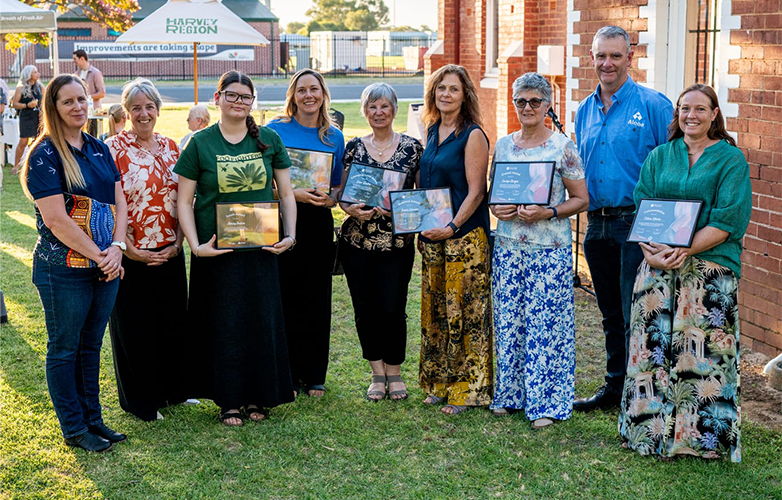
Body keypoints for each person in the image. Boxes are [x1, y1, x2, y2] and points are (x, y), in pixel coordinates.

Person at [618, 84, 751, 462]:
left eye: (699, 109)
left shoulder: (730, 160)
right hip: (656, 268)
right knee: (651, 353)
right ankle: (648, 434)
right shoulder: (661, 156)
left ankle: (701, 442)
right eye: (684, 109)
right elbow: (643, 205)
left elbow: (728, 220)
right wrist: (651, 250)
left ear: (714, 115)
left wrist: (685, 249)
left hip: (707, 272)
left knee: (702, 358)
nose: (690, 115)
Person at [174, 70, 297, 426]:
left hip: (261, 250)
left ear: (252, 102)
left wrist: (289, 236)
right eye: (231, 95)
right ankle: (228, 399)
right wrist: (196, 246)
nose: (238, 102)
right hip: (217, 252)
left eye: (245, 97)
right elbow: (184, 201)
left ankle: (260, 396)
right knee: (223, 325)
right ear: (218, 98)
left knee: (260, 322)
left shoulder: (269, 139)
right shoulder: (200, 143)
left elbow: (286, 193)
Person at [20, 74, 128, 452]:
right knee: (64, 347)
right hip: (63, 270)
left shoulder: (99, 148)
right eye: (68, 101)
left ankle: (94, 420)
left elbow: (119, 202)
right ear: (54, 107)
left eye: (82, 99)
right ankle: (74, 428)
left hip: (106, 265)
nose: (78, 106)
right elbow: (56, 219)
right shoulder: (44, 153)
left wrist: (117, 246)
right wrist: (102, 256)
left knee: (90, 346)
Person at [573, 25, 673, 411]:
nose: (607, 63)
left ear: (630, 58)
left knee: (638, 312)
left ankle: (643, 395)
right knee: (610, 313)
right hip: (596, 224)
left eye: (615, 55)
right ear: (593, 58)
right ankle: (616, 387)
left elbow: (673, 167)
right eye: (601, 56)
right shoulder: (584, 110)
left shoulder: (654, 105)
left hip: (637, 223)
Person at [489, 73, 589, 428]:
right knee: (509, 320)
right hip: (508, 248)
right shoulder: (503, 145)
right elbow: (496, 194)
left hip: (549, 249)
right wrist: (496, 207)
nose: (527, 107)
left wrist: (548, 211)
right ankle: (511, 395)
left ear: (547, 105)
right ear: (514, 103)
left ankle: (548, 403)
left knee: (547, 325)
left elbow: (581, 198)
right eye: (521, 101)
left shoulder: (562, 146)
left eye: (535, 101)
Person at [105, 79, 188, 422]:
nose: (143, 113)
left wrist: (179, 241)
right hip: (131, 253)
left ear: (158, 109)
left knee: (171, 323)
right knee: (135, 329)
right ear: (126, 112)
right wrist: (129, 249)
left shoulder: (171, 147)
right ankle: (141, 402)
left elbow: (184, 197)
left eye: (149, 106)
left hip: (169, 250)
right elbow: (108, 203)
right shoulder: (111, 148)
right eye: (136, 107)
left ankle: (173, 392)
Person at [337, 83, 422, 401]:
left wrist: (398, 208)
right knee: (365, 308)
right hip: (357, 243)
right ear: (365, 110)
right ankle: (376, 372)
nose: (378, 112)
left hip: (396, 245)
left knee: (392, 308)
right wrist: (350, 209)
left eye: (384, 106)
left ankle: (395, 371)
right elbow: (342, 195)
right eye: (372, 106)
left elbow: (421, 196)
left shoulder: (413, 148)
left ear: (395, 109)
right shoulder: (354, 147)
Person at [417, 64, 492, 415]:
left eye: (453, 89)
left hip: (464, 238)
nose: (446, 94)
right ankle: (439, 381)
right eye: (440, 88)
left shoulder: (473, 134)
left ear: (465, 96)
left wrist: (451, 226)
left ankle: (467, 389)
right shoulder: (431, 131)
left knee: (465, 314)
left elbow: (477, 192)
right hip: (433, 237)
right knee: (436, 312)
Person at [266, 69, 344, 398]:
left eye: (314, 89)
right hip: (282, 218)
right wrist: (293, 194)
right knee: (284, 296)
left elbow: (338, 185)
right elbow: (263, 181)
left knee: (316, 297)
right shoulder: (275, 130)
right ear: (292, 95)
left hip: (317, 223)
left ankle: (314, 375)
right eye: (301, 90)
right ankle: (286, 373)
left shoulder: (334, 137)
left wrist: (333, 198)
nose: (308, 95)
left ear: (323, 94)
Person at [11, 65, 44, 173]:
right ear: (29, 74)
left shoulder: (40, 87)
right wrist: (26, 105)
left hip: (38, 116)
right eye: (35, 72)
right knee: (23, 141)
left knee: (38, 140)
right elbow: (15, 104)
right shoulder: (20, 88)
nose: (37, 74)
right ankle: (16, 166)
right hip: (26, 116)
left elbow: (45, 99)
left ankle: (35, 164)